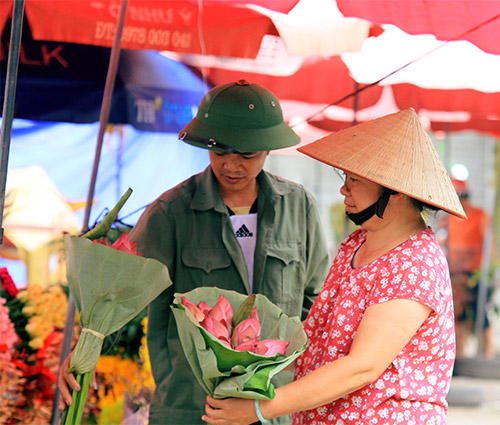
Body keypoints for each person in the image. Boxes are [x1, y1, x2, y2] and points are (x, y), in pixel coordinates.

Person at [57, 80, 330, 424]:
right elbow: (120, 294)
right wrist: (83, 351)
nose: (231, 166)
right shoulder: (171, 212)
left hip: (272, 408)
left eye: (246, 155)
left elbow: (317, 303)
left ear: (267, 149)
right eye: (219, 152)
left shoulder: (298, 206)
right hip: (191, 408)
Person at [202, 108, 466, 425]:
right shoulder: (356, 244)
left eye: (353, 179)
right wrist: (251, 359)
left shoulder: (415, 262)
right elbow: (316, 336)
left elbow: (363, 366)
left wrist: (262, 409)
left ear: (393, 190)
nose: (344, 189)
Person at [439, 177, 493, 359]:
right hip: (453, 273)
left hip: (474, 273)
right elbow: (441, 242)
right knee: (455, 314)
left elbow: (489, 246)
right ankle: (458, 355)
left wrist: (490, 270)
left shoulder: (480, 216)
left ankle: (489, 353)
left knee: (480, 311)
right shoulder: (447, 219)